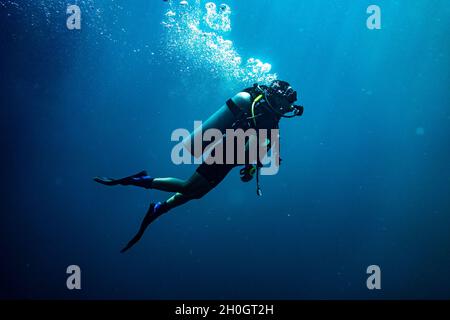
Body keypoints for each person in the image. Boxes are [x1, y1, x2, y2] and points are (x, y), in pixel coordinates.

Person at [94, 80, 304, 252]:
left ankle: (158, 208)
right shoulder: (255, 106)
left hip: (229, 159)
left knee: (196, 193)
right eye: (285, 103)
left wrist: (251, 166)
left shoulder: (271, 119)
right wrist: (251, 159)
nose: (287, 109)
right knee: (188, 187)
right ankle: (137, 181)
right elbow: (252, 143)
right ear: (277, 97)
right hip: (223, 153)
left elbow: (257, 148)